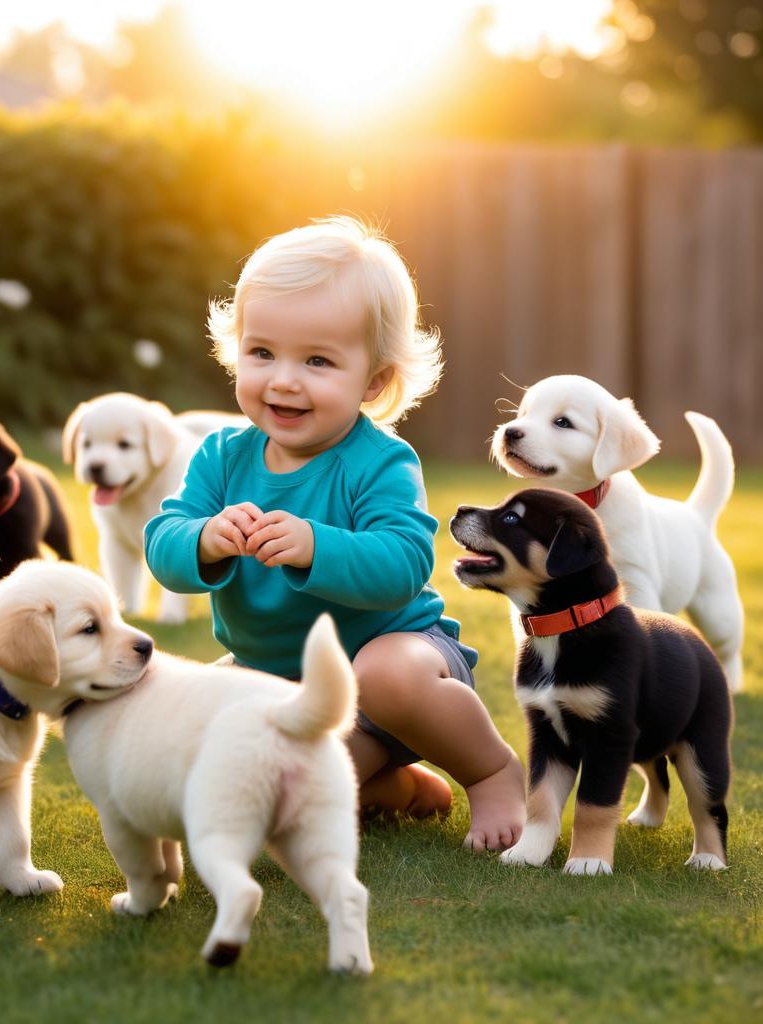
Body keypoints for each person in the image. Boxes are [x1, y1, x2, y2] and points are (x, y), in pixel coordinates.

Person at [144, 216, 525, 851]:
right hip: (277, 686)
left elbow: (404, 562)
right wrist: (204, 538)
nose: (284, 379)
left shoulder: (379, 462)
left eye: (318, 360)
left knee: (388, 674)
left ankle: (490, 771)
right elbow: (164, 543)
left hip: (394, 676)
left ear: (373, 381)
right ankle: (400, 791)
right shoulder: (220, 456)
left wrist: (317, 545)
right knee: (237, 778)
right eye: (261, 352)